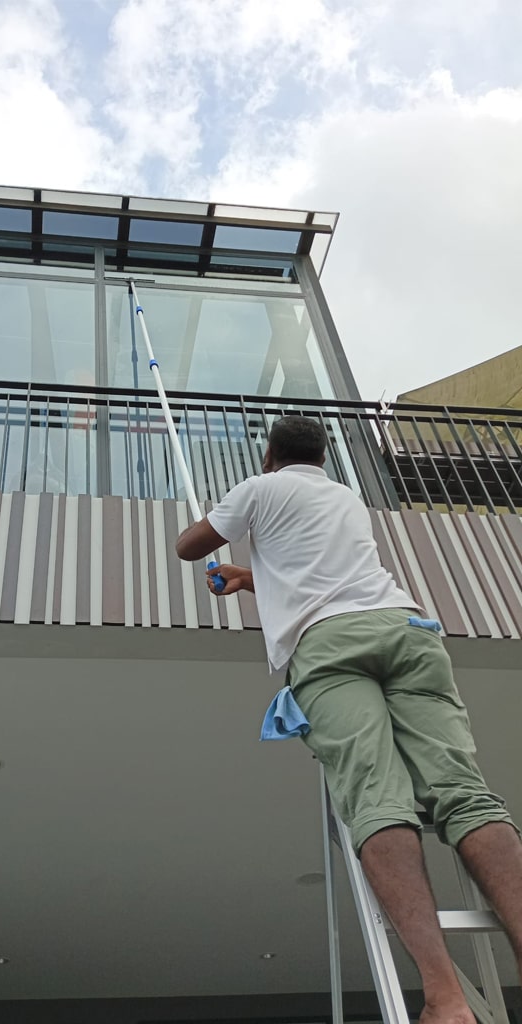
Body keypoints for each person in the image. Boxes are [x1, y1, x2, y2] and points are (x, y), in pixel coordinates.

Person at [175, 415, 522, 1024]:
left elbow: (188, 546)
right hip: (406, 629)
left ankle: (446, 999)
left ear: (270, 454)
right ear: (324, 455)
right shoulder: (346, 498)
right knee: (466, 796)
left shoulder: (260, 488)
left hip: (331, 645)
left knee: (377, 799)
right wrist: (250, 577)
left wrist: (216, 529)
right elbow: (318, 577)